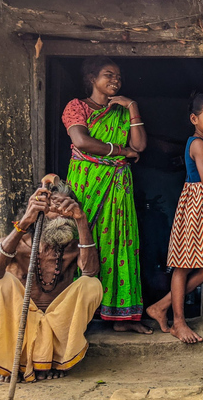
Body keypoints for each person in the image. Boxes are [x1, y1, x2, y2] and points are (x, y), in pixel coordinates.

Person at [0, 181, 103, 382]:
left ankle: (56, 360)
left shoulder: (74, 246)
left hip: (57, 323)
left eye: (66, 206)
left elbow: (90, 270)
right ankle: (10, 361)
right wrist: (25, 221)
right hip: (22, 321)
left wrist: (81, 220)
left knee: (90, 285)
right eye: (53, 204)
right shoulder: (15, 243)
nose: (61, 212)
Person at [62, 56, 150, 334]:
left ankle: (120, 318)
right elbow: (82, 141)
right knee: (84, 242)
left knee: (118, 243)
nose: (115, 81)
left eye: (119, 77)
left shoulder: (123, 110)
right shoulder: (76, 107)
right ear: (92, 78)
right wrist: (122, 151)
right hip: (87, 183)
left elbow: (140, 144)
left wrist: (133, 107)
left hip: (118, 186)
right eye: (108, 75)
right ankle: (77, 317)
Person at [149, 94, 203, 343]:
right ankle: (179, 322)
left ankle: (160, 307)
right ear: (194, 119)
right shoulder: (197, 143)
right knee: (182, 267)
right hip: (197, 206)